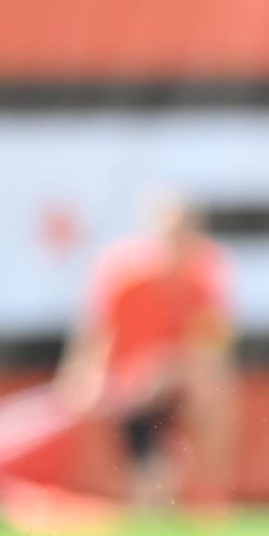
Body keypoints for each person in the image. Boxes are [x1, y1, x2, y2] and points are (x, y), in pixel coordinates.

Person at [54, 196, 237, 509]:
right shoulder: (126, 275)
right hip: (128, 390)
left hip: (175, 385)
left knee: (216, 387)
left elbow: (212, 347)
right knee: (153, 479)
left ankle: (210, 491)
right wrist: (85, 376)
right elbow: (97, 333)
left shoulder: (204, 277)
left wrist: (169, 369)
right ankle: (159, 476)